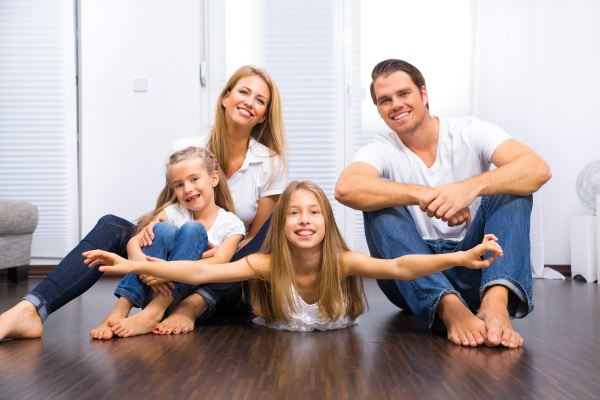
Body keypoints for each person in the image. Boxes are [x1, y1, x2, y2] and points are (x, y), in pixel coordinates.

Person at [0, 65, 287, 341]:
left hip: (222, 274)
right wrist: (140, 260)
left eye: (260, 100)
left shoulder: (270, 163)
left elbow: (256, 240)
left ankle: (187, 307)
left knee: (270, 231)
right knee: (113, 225)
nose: (249, 102)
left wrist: (217, 258)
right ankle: (31, 309)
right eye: (243, 92)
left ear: (263, 116)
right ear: (225, 97)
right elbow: (164, 216)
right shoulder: (186, 148)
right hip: (170, 259)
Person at [83, 181, 504, 332]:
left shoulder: (340, 260)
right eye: (295, 214)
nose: (305, 221)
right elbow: (198, 269)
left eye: (314, 213)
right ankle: (174, 310)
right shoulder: (265, 264)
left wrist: (460, 258)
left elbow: (398, 266)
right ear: (281, 225)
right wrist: (134, 263)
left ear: (327, 222)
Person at [334, 59, 552, 348]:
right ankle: (450, 308)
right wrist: (425, 194)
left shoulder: (469, 131)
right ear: (379, 110)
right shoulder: (381, 148)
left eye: (403, 94)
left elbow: (538, 169)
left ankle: (496, 303)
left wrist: (468, 188)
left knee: (513, 188)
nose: (395, 104)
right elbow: (347, 188)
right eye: (384, 100)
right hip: (411, 273)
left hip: (476, 264)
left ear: (424, 94)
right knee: (378, 206)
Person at [90, 146, 245, 339]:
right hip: (155, 287)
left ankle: (154, 313)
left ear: (214, 178)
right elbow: (133, 243)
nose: (187, 189)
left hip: (189, 303)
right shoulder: (174, 211)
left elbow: (220, 262)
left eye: (194, 179)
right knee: (162, 229)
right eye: (179, 185)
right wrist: (143, 265)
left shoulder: (231, 224)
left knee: (193, 229)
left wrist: (168, 269)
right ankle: (120, 309)